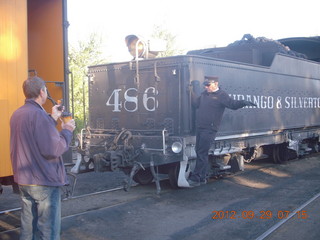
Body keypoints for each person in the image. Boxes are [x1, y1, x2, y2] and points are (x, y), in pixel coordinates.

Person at [10, 76, 76, 240]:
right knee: (48, 230)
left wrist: (52, 118)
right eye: (45, 90)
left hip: (24, 180)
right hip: (43, 181)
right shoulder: (38, 115)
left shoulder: (18, 114)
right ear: (41, 92)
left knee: (28, 228)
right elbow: (53, 149)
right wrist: (67, 130)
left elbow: (36, 134)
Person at [188, 76, 256, 187]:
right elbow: (196, 104)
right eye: (205, 85)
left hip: (209, 129)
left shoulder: (221, 95)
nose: (206, 87)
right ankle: (202, 177)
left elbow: (233, 104)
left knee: (201, 153)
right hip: (201, 128)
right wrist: (190, 92)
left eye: (208, 85)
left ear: (215, 84)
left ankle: (197, 178)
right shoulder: (204, 94)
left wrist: (243, 102)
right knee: (200, 152)